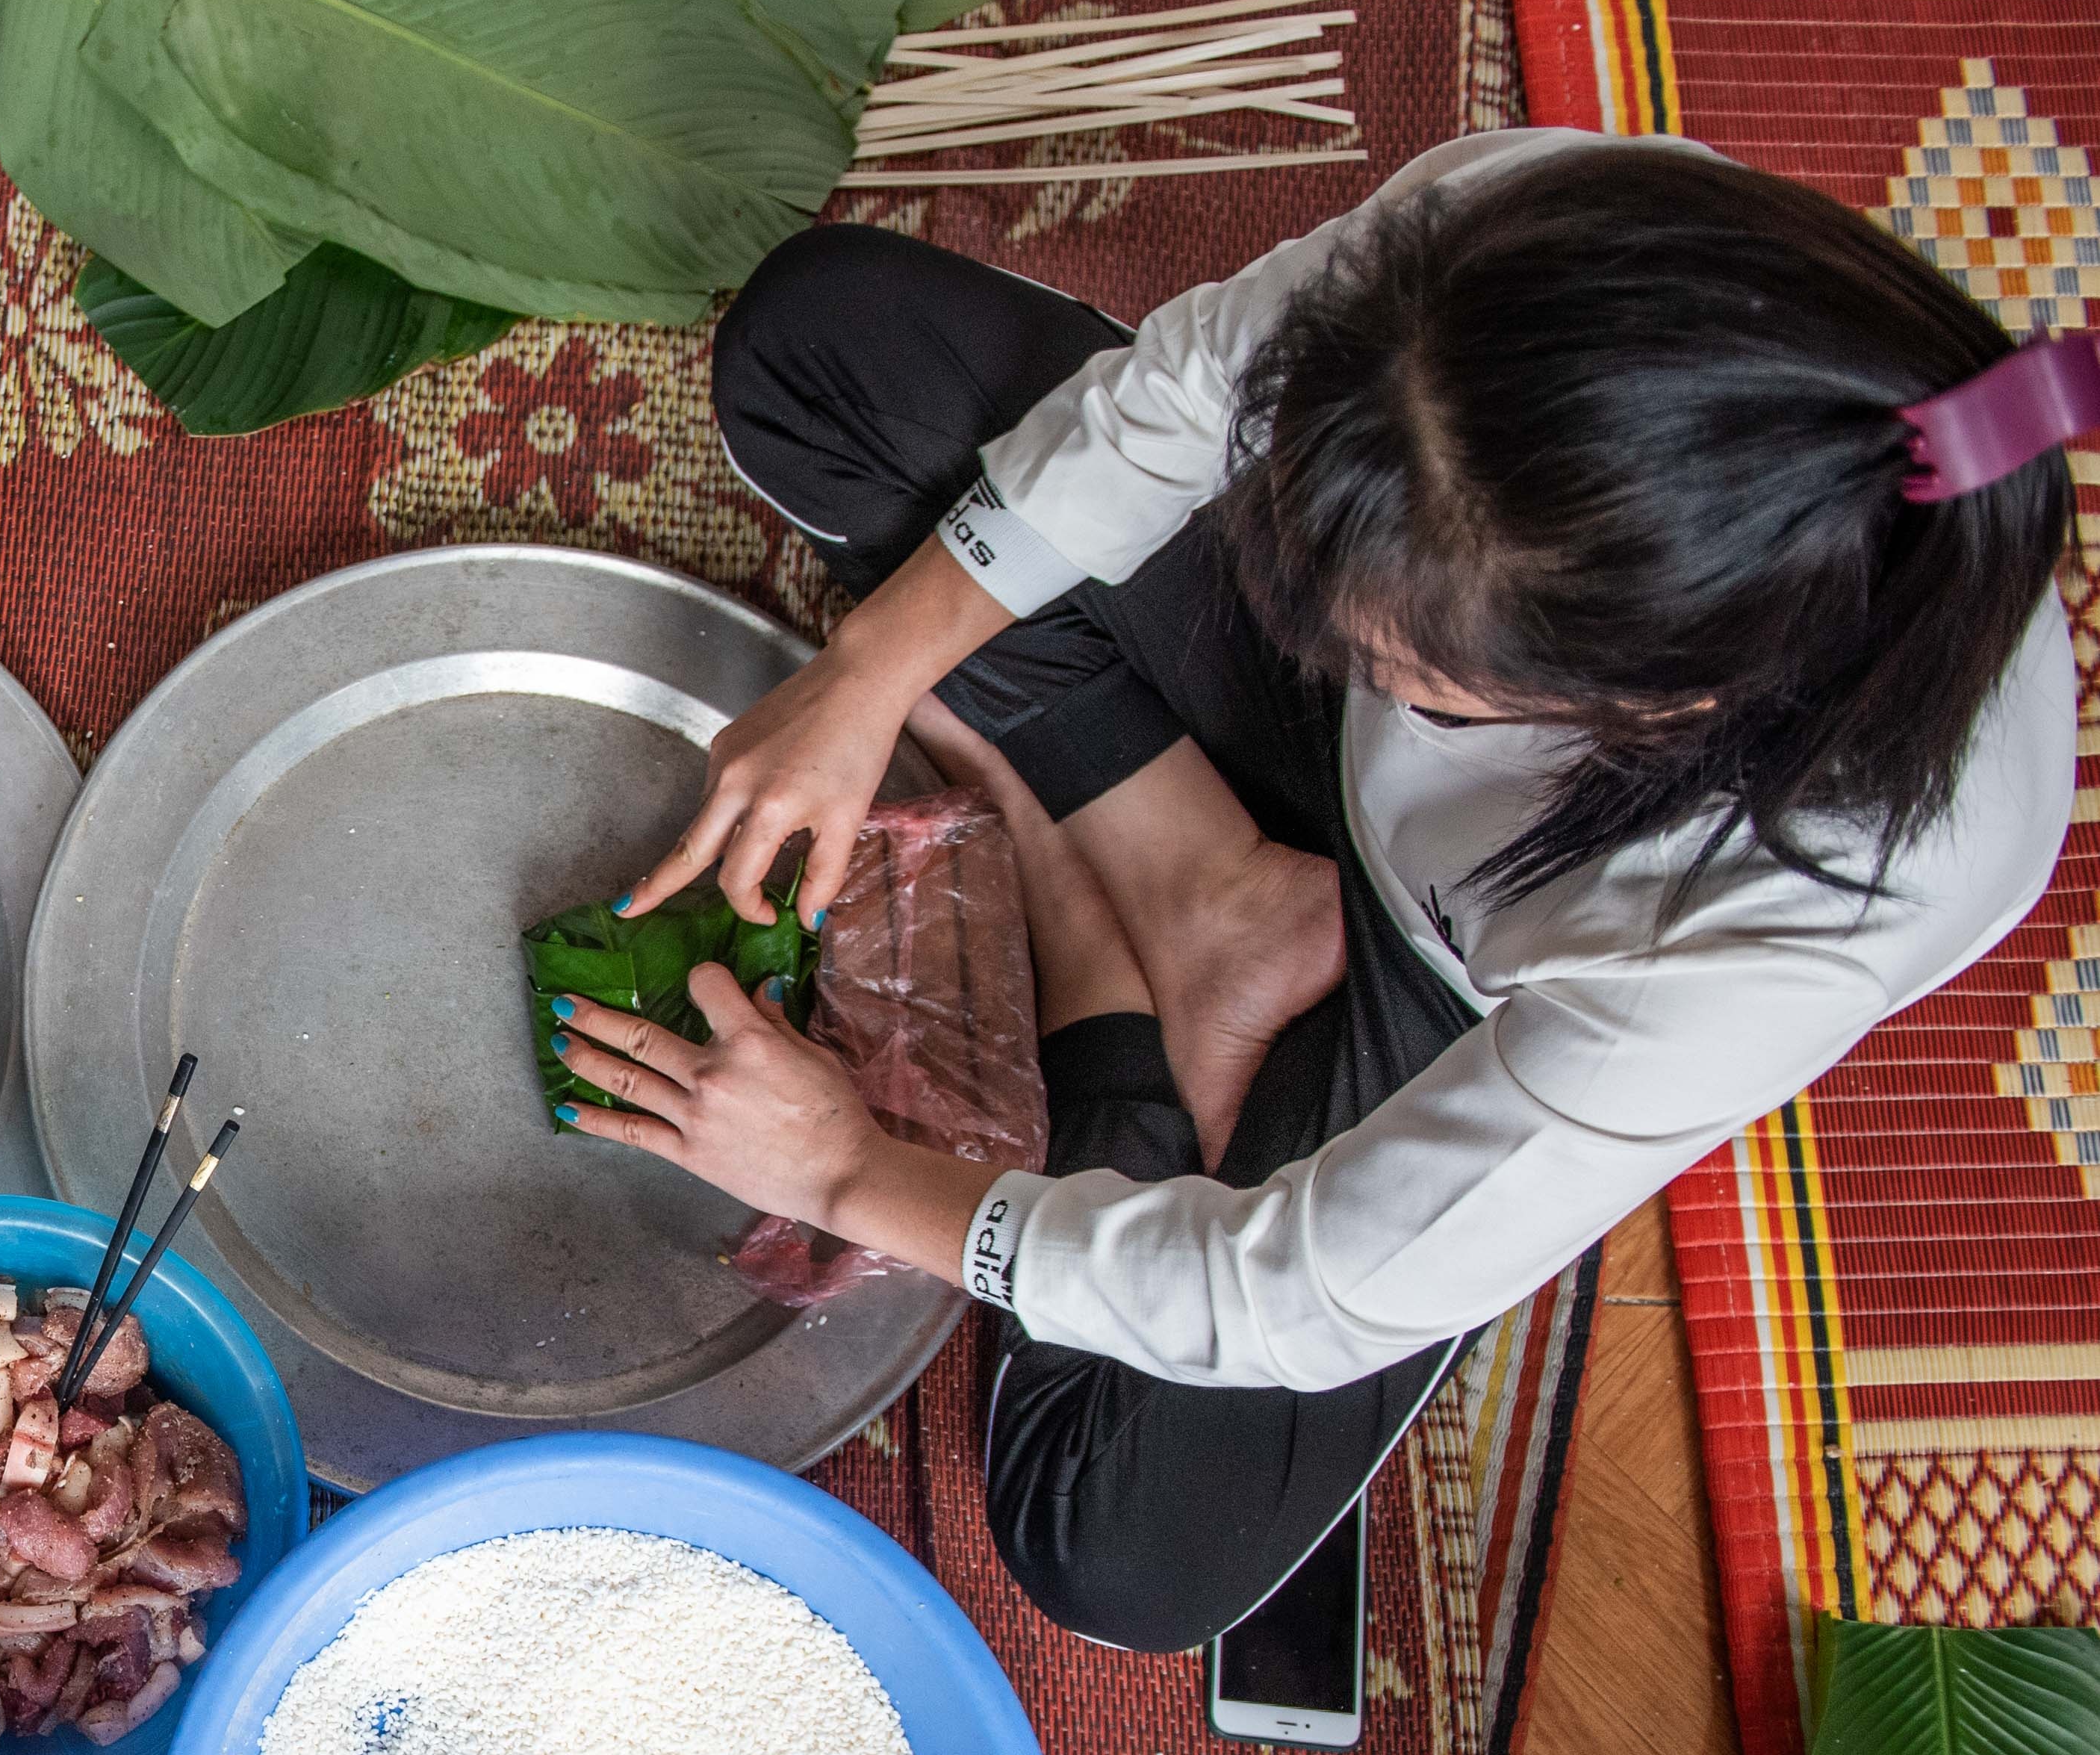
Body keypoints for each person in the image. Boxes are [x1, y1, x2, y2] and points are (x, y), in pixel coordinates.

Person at [550, 130, 2077, 1650]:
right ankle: (1200, 882)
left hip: (1457, 985)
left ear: (1656, 707)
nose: (1332, 646)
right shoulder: (1513, 255)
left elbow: (1300, 1294)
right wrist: (873, 668)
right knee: (820, 344)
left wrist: (842, 1172)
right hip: (1402, 641)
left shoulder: (1761, 943)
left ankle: (1094, 935)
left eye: (1411, 673)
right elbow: (1176, 400)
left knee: (1118, 1545)